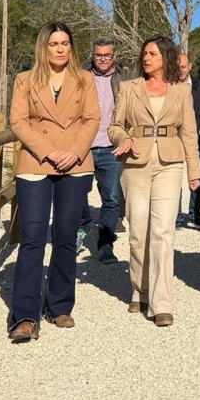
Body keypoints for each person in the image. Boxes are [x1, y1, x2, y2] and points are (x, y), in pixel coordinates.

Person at [8, 22, 100, 342]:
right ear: (43, 47)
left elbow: (92, 119)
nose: (60, 49)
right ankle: (25, 315)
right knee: (33, 237)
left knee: (65, 236)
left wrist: (73, 152)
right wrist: (49, 151)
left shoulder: (85, 79)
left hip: (75, 163)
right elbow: (19, 122)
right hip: (36, 162)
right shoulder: (25, 80)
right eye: (53, 44)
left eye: (65, 43)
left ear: (71, 47)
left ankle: (59, 306)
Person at [109, 35, 200, 327]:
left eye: (153, 54)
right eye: (145, 54)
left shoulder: (181, 91)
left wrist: (195, 171)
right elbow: (114, 126)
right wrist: (124, 138)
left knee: (163, 231)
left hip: (169, 164)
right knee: (138, 233)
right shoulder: (129, 88)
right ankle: (140, 290)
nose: (146, 58)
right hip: (135, 163)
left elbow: (189, 133)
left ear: (165, 58)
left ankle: (162, 303)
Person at [81, 38, 125, 264]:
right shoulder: (81, 77)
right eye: (99, 55)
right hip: (84, 146)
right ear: (93, 55)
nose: (103, 59)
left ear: (114, 56)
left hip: (111, 146)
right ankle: (81, 228)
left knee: (112, 198)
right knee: (77, 193)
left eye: (107, 55)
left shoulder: (124, 79)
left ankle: (106, 244)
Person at [179, 52, 200, 229]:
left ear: (190, 66)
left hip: (195, 138)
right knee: (174, 177)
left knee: (198, 175)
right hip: (174, 140)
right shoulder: (169, 85)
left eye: (183, 67)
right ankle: (175, 217)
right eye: (177, 67)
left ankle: (194, 215)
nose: (181, 70)